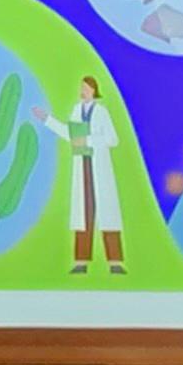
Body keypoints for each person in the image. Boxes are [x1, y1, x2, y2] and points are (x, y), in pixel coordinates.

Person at [33, 76, 124, 275]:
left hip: (98, 166)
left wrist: (88, 140)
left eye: (86, 88)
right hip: (82, 166)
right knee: (84, 214)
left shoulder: (101, 112)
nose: (83, 91)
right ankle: (81, 262)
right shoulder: (76, 110)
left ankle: (115, 262)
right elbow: (69, 134)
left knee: (107, 214)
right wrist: (47, 119)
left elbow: (112, 139)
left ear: (94, 90)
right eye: (81, 87)